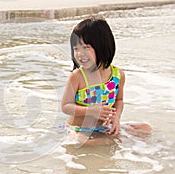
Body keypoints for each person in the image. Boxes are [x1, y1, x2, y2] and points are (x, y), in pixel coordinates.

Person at [61, 17, 151, 146]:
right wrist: (91, 111)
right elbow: (66, 106)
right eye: (76, 49)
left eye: (85, 48)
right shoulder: (78, 76)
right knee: (80, 142)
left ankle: (110, 140)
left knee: (145, 128)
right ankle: (109, 141)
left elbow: (119, 100)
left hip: (103, 128)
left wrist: (116, 118)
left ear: (102, 47)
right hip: (79, 129)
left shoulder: (117, 75)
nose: (79, 54)